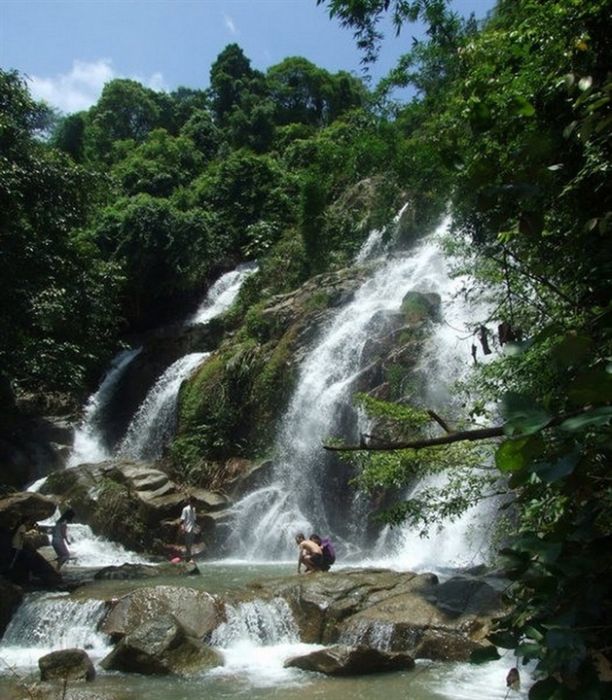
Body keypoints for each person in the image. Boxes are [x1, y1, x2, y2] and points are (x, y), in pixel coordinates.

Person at [179, 497, 197, 561]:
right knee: (187, 544)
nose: (194, 504)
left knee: (190, 543)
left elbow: (194, 520)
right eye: (193, 503)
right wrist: (183, 528)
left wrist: (196, 527)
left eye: (194, 503)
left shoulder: (194, 509)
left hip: (192, 528)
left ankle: (188, 558)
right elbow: (182, 520)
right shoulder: (185, 509)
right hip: (187, 528)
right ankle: (188, 558)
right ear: (190, 502)